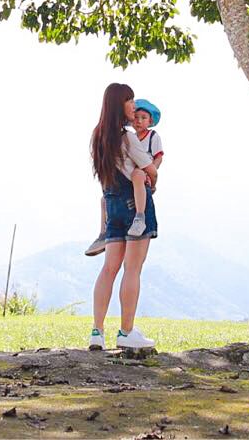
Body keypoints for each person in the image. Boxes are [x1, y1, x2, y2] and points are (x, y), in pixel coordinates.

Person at [86, 82, 157, 351]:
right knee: (132, 269)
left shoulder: (98, 137)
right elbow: (149, 168)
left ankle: (97, 331)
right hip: (134, 202)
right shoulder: (127, 137)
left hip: (112, 204)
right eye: (130, 101)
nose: (134, 107)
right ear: (119, 105)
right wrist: (154, 178)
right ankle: (126, 333)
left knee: (108, 269)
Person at [85, 97, 165, 255]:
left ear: (150, 121)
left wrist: (151, 174)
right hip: (134, 175)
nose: (139, 121)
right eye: (137, 117)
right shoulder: (129, 137)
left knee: (137, 176)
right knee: (104, 200)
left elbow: (158, 157)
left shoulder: (152, 137)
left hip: (142, 170)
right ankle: (103, 232)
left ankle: (140, 216)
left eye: (144, 118)